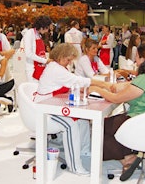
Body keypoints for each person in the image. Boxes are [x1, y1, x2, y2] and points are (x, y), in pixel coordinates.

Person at [89, 43, 145, 181]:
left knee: (100, 127)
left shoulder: (144, 80)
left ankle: (126, 158)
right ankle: (128, 157)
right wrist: (105, 85)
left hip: (141, 122)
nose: (134, 60)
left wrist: (97, 90)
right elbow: (126, 87)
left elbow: (116, 98)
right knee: (110, 125)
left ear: (143, 59)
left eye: (136, 57)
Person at [35, 43, 112, 176]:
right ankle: (75, 166)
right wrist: (102, 84)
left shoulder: (58, 67)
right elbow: (77, 81)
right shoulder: (55, 69)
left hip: (52, 103)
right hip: (45, 108)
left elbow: (73, 82)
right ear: (60, 56)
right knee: (71, 124)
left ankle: (84, 150)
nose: (69, 62)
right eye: (68, 59)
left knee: (82, 119)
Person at [22, 15, 52, 82]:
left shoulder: (39, 35)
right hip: (32, 68)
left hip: (40, 66)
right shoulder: (29, 33)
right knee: (33, 89)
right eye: (47, 28)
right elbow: (28, 54)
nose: (47, 30)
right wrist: (45, 61)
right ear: (42, 27)